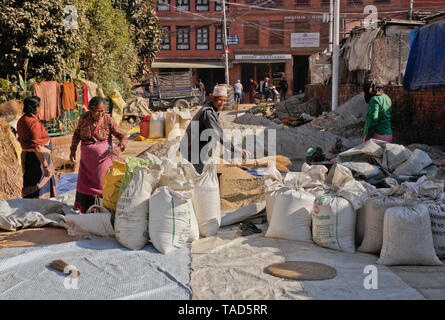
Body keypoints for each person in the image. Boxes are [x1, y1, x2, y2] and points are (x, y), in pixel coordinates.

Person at [70, 96, 128, 213]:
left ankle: (103, 209)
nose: (101, 114)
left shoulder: (108, 120)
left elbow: (123, 136)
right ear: (91, 110)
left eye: (103, 111)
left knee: (102, 184)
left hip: (103, 161)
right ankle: (86, 209)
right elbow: (77, 134)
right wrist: (73, 149)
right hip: (87, 161)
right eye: (98, 111)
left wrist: (119, 147)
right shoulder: (84, 118)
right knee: (84, 184)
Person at [180, 84, 249, 174]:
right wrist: (236, 149)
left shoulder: (213, 111)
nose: (222, 103)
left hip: (198, 150)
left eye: (224, 100)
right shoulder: (208, 113)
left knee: (202, 176)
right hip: (192, 151)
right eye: (220, 100)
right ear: (212, 98)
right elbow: (218, 134)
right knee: (199, 178)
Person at [16, 96, 58, 199]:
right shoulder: (32, 123)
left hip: (32, 157)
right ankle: (39, 209)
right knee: (38, 184)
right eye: (39, 106)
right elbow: (37, 147)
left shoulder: (22, 120)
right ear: (34, 108)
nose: (40, 108)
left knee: (32, 181)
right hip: (38, 159)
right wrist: (45, 166)